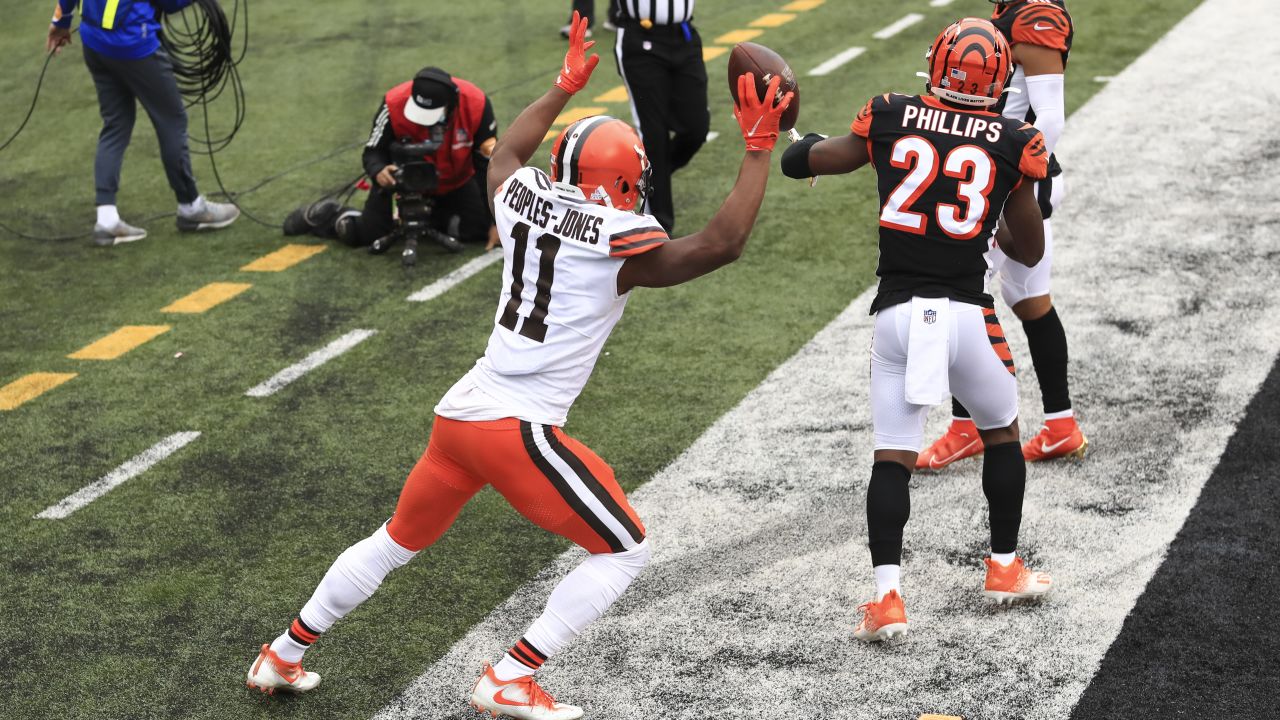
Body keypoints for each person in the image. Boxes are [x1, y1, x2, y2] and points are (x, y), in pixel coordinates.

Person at [247, 13, 792, 718]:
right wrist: (757, 151)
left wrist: (563, 86)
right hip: (517, 429)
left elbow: (505, 159)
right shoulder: (616, 240)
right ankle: (510, 676)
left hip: (463, 412)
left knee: (394, 542)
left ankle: (282, 654)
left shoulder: (522, 198)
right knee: (625, 550)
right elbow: (720, 245)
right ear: (617, 186)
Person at [781, 17, 1053, 642]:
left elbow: (811, 161)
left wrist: (795, 142)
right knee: (1003, 432)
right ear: (999, 77)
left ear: (936, 65)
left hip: (899, 315)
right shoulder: (1015, 139)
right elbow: (1031, 252)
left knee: (892, 456)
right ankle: (1003, 567)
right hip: (967, 315)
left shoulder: (890, 113)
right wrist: (996, 212)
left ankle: (888, 601)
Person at [917, 0, 1084, 469]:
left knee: (960, 295)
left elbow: (1050, 117)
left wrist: (1010, 176)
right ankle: (1060, 425)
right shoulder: (1015, 12)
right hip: (1010, 176)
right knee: (1032, 301)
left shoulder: (1037, 16)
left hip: (1013, 181)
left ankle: (966, 428)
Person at [45, 0, 240, 247]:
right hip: (133, 44)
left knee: (115, 124)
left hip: (95, 42)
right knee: (172, 120)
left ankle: (106, 219)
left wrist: (61, 23)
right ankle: (190, 207)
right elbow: (169, 4)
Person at [285, 67, 499, 250]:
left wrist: (495, 223)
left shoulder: (477, 104)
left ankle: (427, 217)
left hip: (456, 181)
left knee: (479, 230)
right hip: (401, 181)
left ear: (451, 106)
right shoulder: (393, 104)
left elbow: (487, 165)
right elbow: (372, 151)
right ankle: (328, 215)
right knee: (366, 234)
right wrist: (379, 171)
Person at [612, 0, 707, 234]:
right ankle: (659, 227)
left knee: (696, 129)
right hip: (640, 37)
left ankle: (651, 181)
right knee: (653, 136)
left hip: (684, 34)